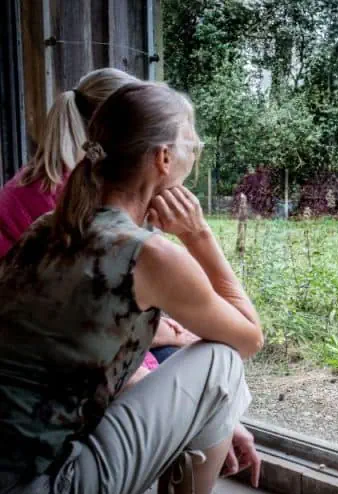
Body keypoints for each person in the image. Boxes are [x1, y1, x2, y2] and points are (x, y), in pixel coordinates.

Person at [0, 81, 264, 494]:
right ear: (164, 158)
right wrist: (200, 237)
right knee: (222, 364)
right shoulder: (150, 254)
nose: (194, 158)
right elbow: (249, 338)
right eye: (191, 146)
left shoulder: (47, 227)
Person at [0, 68, 197, 370]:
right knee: (198, 365)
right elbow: (86, 313)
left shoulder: (49, 179)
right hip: (44, 354)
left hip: (40, 338)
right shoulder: (76, 196)